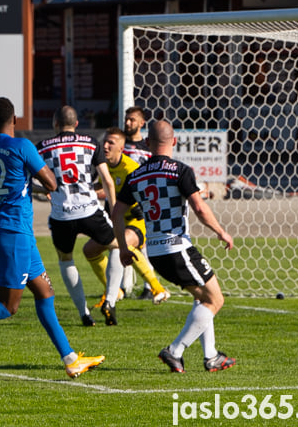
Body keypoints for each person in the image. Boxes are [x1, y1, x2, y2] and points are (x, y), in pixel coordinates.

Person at [0, 97, 104, 379]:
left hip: (8, 228)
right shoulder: (23, 146)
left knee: (45, 293)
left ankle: (70, 359)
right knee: (8, 306)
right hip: (16, 233)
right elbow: (51, 183)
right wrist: (32, 176)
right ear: (14, 120)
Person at [112, 120, 236, 373]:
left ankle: (211, 356)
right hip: (177, 247)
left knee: (201, 297)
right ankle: (175, 350)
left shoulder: (136, 175)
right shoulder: (180, 170)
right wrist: (221, 232)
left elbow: (116, 213)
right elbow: (199, 208)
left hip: (155, 253)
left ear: (148, 143)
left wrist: (124, 248)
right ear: (175, 141)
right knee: (215, 300)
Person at [36, 106, 123, 326]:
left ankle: (84, 312)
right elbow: (107, 180)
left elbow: (33, 183)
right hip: (89, 210)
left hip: (62, 215)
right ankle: (110, 300)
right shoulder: (92, 143)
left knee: (66, 260)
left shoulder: (42, 148)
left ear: (55, 123)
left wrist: (49, 190)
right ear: (76, 124)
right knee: (117, 246)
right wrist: (114, 211)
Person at [84, 128, 170, 306]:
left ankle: (156, 288)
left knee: (119, 243)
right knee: (89, 250)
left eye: (111, 143)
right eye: (105, 142)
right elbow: (101, 187)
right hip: (115, 221)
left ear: (121, 148)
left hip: (137, 221)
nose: (105, 146)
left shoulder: (131, 169)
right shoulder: (103, 166)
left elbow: (149, 194)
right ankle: (115, 290)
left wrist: (141, 205)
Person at [122, 105, 156, 300]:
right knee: (118, 243)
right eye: (127, 119)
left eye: (132, 119)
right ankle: (121, 286)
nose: (128, 123)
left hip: (142, 203)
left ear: (142, 123)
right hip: (121, 202)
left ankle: (148, 286)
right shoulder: (119, 145)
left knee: (145, 246)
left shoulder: (147, 148)